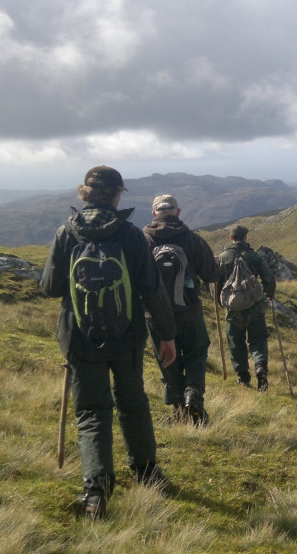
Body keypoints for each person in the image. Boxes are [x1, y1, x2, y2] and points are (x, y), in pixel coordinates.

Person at [40, 165, 177, 520]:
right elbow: (152, 290)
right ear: (117, 195)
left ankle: (95, 490)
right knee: (132, 401)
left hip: (80, 339)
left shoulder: (66, 233)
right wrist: (167, 335)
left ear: (85, 193)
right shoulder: (131, 236)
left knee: (90, 412)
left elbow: (50, 287)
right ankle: (146, 472)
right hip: (127, 337)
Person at [143, 194, 220, 425]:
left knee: (167, 359)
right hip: (189, 310)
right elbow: (211, 276)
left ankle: (178, 411)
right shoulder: (192, 239)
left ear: (154, 213)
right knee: (196, 352)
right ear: (178, 212)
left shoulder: (142, 240)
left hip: (155, 315)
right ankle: (193, 393)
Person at [215, 225, 276, 390]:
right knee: (258, 338)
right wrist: (268, 294)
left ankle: (242, 377)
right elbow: (268, 278)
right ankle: (260, 367)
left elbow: (217, 283)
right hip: (254, 305)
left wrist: (220, 302)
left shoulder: (224, 257)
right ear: (245, 237)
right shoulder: (254, 256)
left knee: (236, 342)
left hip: (233, 309)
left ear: (231, 238)